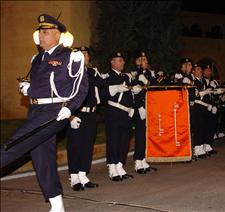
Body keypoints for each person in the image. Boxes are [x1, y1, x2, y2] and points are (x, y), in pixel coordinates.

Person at [1, 14, 88, 212]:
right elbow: (40, 86)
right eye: (40, 32)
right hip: (35, 110)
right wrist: (27, 88)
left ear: (58, 35)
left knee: (16, 143)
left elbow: (81, 87)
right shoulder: (38, 58)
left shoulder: (71, 56)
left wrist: (70, 108)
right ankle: (57, 207)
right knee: (43, 158)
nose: (41, 36)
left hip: (55, 111)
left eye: (46, 32)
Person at [66, 46, 106, 191]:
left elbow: (102, 84)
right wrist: (71, 117)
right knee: (75, 145)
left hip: (91, 114)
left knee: (87, 145)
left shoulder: (91, 72)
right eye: (80, 54)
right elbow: (65, 96)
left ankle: (83, 174)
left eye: (85, 54)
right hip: (77, 113)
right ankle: (74, 176)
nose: (83, 56)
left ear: (88, 58)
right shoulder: (71, 72)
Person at [104, 52, 140, 181]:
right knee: (114, 140)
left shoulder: (127, 77)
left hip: (126, 113)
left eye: (123, 60)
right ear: (112, 62)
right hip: (114, 111)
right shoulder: (108, 77)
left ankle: (120, 165)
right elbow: (104, 93)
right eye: (119, 60)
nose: (122, 62)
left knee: (124, 140)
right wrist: (117, 88)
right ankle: (112, 168)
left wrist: (136, 89)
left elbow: (133, 89)